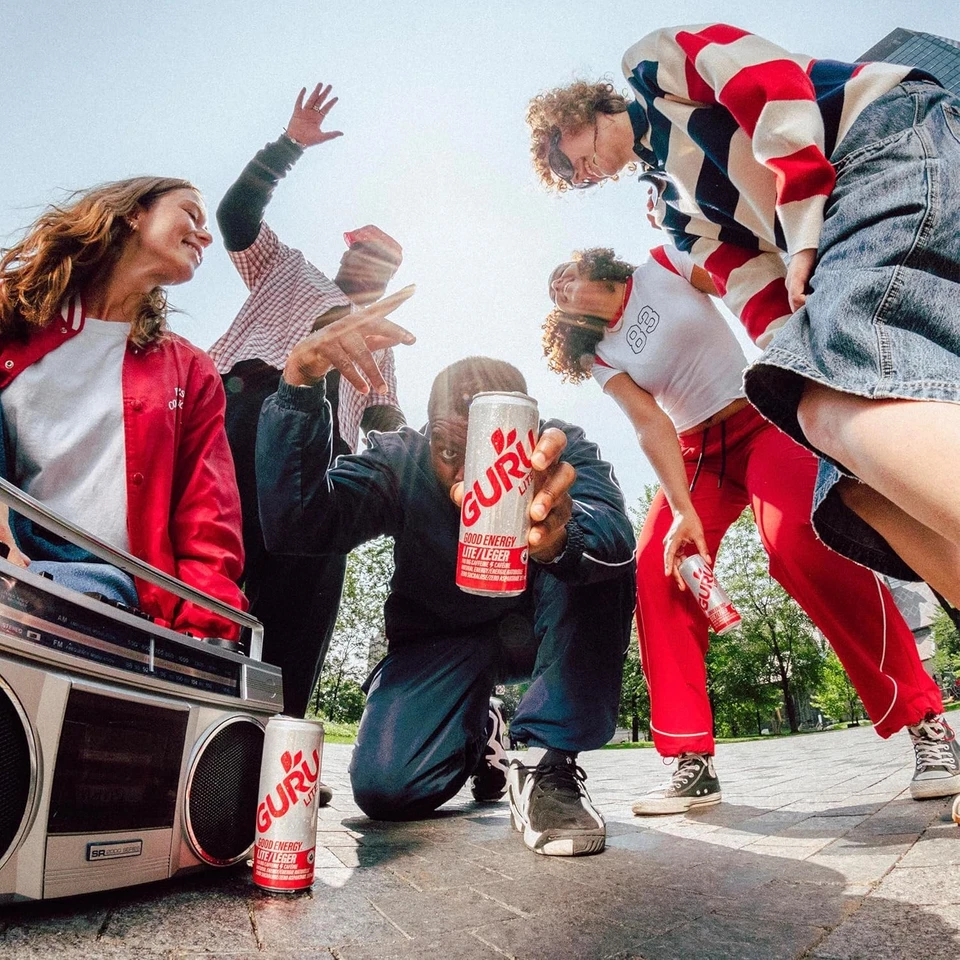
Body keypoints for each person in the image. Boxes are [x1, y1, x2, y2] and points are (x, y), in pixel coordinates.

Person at [526, 24, 960, 610]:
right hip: (832, 236)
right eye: (569, 181)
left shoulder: (650, 72)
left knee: (851, 401)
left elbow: (766, 82)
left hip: (876, 144)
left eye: (564, 159)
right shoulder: (677, 214)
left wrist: (802, 219)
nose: (579, 176)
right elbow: (750, 285)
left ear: (572, 117)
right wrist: (802, 365)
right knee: (845, 469)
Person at [542, 243, 959, 810]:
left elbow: (742, 295)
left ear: (591, 263)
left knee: (801, 545)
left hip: (759, 419)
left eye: (564, 273)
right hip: (693, 455)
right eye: (554, 293)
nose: (562, 285)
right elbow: (649, 424)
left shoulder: (663, 264)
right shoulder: (602, 355)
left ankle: (926, 723)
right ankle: (690, 761)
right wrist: (681, 508)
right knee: (658, 572)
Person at [255, 295, 636, 856]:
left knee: (598, 565)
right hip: (439, 638)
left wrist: (563, 532)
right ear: (429, 432)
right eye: (450, 447)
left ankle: (547, 765)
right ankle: (481, 732)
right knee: (386, 788)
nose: (467, 477)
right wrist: (299, 388)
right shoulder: (402, 459)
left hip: (534, 627)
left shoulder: (562, 448)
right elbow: (298, 525)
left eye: (487, 450)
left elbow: (617, 539)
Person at [209, 83, 406, 721]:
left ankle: (274, 741)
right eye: (362, 251)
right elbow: (237, 217)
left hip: (324, 454)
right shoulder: (289, 271)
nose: (368, 264)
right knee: (214, 566)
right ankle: (189, 713)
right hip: (244, 412)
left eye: (382, 262)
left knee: (308, 591)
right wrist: (289, 144)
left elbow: (382, 418)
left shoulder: (379, 334)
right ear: (345, 253)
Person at [0, 177, 246, 639]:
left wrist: (205, 633)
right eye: (190, 214)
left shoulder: (190, 370)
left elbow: (208, 515)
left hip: (106, 591)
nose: (206, 234)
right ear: (134, 213)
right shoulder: (11, 315)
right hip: (13, 565)